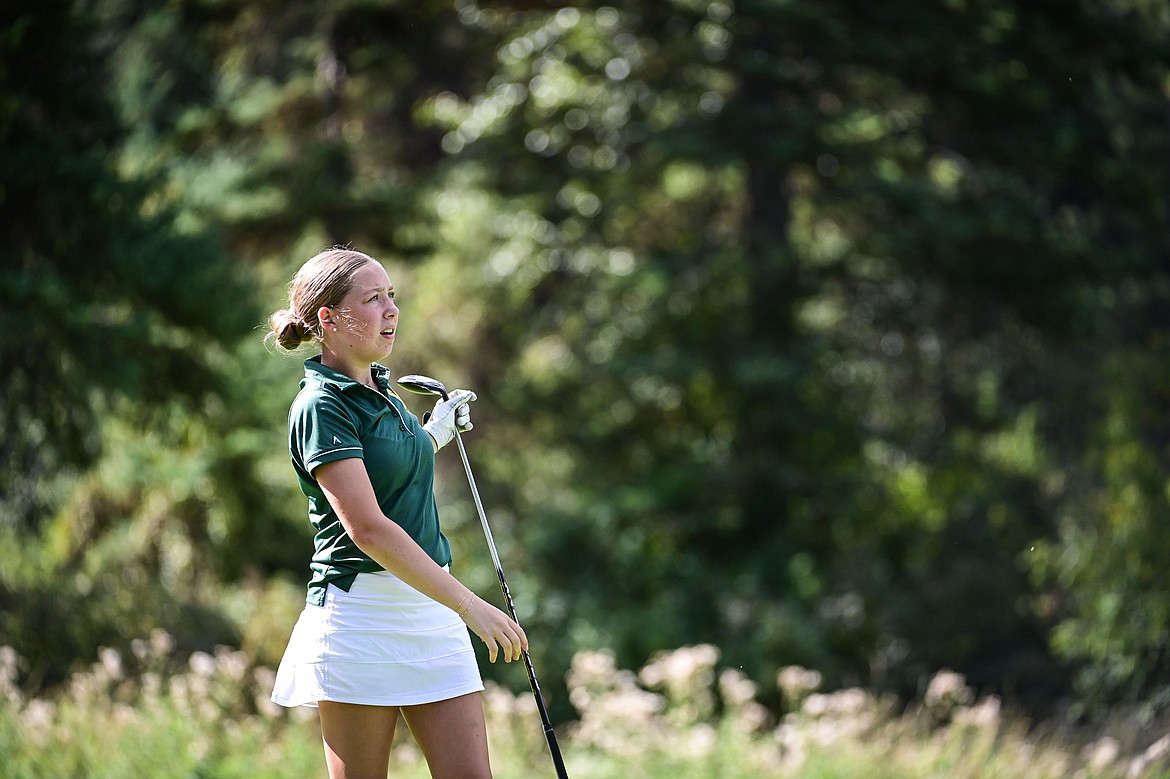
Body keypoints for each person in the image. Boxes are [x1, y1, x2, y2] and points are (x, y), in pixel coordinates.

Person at [266, 247, 527, 779]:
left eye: (392, 297)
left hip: (431, 609)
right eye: (373, 299)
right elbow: (367, 527)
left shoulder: (382, 388)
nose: (391, 310)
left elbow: (389, 469)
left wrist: (434, 432)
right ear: (328, 319)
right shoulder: (321, 405)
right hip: (362, 616)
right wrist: (470, 606)